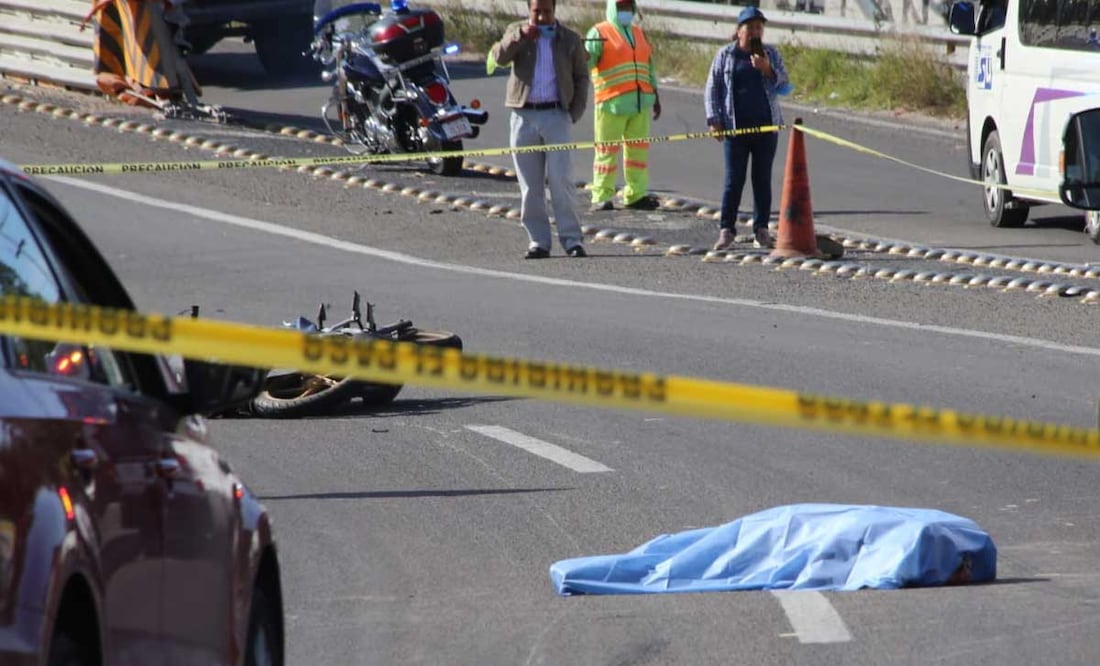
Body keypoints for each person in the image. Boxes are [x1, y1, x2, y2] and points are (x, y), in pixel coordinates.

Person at [490, 0, 591, 259]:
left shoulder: (568, 39)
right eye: (537, 12)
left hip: (557, 115)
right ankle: (538, 241)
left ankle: (571, 240)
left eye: (547, 12)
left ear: (554, 11)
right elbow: (499, 57)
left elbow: (582, 76)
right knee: (530, 186)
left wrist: (573, 113)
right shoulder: (517, 32)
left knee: (561, 181)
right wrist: (520, 37)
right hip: (523, 115)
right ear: (529, 11)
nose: (542, 17)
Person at [704, 6, 789, 251]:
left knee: (762, 179)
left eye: (758, 28)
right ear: (739, 31)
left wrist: (767, 69)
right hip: (735, 129)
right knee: (734, 180)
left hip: (766, 128)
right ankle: (726, 229)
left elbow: (784, 86)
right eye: (750, 28)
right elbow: (713, 88)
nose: (754, 32)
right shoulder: (726, 55)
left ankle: (761, 229)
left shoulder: (770, 54)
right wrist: (714, 120)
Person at [585, 0, 662, 212]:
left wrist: (655, 94)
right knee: (606, 152)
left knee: (638, 153)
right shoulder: (599, 32)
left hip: (640, 104)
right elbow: (585, 64)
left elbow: (649, 66)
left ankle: (636, 194)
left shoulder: (638, 33)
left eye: (628, 7)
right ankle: (601, 195)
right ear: (612, 7)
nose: (625, 11)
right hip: (611, 103)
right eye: (621, 7)